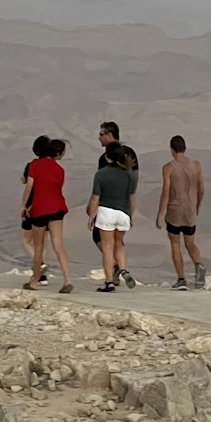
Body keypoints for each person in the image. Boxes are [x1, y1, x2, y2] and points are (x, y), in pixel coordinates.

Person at [21, 139, 73, 293]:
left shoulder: (35, 165)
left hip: (39, 209)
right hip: (57, 208)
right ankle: (67, 280)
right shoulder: (60, 170)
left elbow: (29, 186)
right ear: (59, 154)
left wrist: (24, 206)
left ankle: (35, 282)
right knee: (58, 245)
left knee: (38, 247)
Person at [156, 135, 206, 290]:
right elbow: (201, 188)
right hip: (190, 210)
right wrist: (197, 205)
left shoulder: (169, 168)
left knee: (175, 244)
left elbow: (166, 192)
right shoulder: (196, 165)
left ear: (172, 149)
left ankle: (181, 279)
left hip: (174, 211)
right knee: (190, 243)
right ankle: (199, 267)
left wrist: (160, 214)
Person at [87, 142, 137, 293]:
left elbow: (96, 198)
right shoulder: (129, 174)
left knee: (107, 248)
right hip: (123, 213)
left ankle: (109, 281)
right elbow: (132, 198)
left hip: (106, 212)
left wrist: (91, 216)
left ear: (107, 157)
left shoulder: (101, 174)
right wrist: (130, 215)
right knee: (119, 244)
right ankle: (124, 270)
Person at [95, 121, 138, 285]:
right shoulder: (130, 155)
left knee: (104, 242)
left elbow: (99, 189)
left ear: (109, 135)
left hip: (107, 207)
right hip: (124, 206)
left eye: (101, 134)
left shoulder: (104, 160)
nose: (98, 138)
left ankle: (112, 273)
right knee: (118, 242)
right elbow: (135, 179)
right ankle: (121, 268)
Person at [21, 135, 51, 284]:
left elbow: (26, 183)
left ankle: (39, 264)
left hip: (33, 205)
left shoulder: (32, 165)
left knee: (27, 240)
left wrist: (23, 205)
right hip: (49, 205)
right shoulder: (53, 167)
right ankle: (42, 277)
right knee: (42, 243)